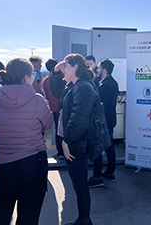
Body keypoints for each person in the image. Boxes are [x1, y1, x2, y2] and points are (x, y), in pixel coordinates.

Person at [0, 58, 52, 225]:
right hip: (33, 161)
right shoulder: (36, 100)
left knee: (2, 208)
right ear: (25, 78)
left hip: (4, 162)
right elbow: (48, 123)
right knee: (29, 213)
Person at [50, 54, 97, 225]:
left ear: (76, 67)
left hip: (77, 144)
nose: (63, 69)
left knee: (80, 186)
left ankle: (84, 220)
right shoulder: (72, 85)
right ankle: (83, 218)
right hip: (72, 142)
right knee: (78, 185)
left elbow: (79, 119)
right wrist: (55, 72)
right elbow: (56, 91)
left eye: (66, 67)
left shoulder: (84, 87)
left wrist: (66, 141)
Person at [88, 59, 119, 188]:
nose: (97, 70)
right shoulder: (111, 82)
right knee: (109, 145)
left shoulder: (105, 86)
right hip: (109, 119)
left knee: (99, 146)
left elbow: (100, 104)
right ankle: (110, 172)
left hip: (103, 120)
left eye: (99, 68)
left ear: (104, 70)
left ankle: (97, 176)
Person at [43, 58, 63, 159]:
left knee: (58, 131)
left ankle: (60, 153)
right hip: (63, 108)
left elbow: (46, 96)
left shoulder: (45, 81)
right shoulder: (63, 77)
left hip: (54, 109)